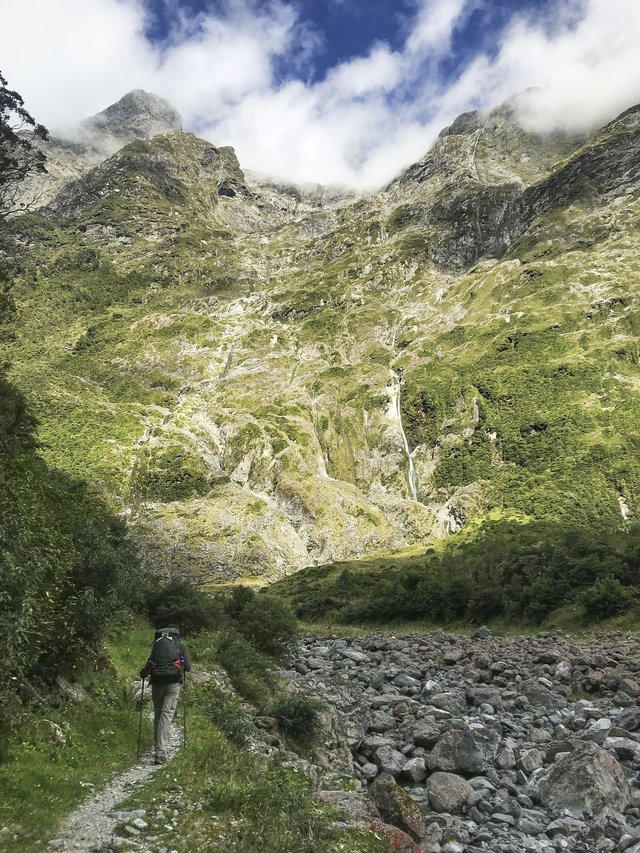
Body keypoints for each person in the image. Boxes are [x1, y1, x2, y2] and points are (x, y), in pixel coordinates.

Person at [140, 624, 191, 764]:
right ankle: (161, 752)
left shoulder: (158, 645)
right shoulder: (181, 646)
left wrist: (143, 674)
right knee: (166, 714)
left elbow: (149, 664)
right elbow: (188, 667)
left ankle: (158, 750)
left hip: (157, 683)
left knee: (158, 714)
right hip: (173, 684)